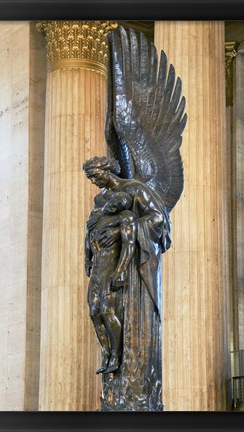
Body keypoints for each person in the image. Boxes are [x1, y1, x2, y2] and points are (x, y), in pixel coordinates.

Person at [83, 156, 171, 411]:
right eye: (90, 177)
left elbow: (158, 220)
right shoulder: (100, 201)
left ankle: (136, 389)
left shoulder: (135, 190)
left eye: (95, 174)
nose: (93, 180)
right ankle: (112, 354)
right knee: (96, 309)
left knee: (114, 314)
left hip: (133, 269)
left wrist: (124, 231)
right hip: (104, 263)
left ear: (107, 169)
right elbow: (90, 233)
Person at [85, 191, 137, 374]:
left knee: (107, 311)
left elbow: (129, 245)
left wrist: (120, 271)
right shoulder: (97, 217)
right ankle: (106, 352)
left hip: (110, 268)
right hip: (97, 269)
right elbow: (88, 237)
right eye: (115, 201)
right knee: (94, 312)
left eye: (120, 204)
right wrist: (87, 259)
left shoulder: (125, 217)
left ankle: (116, 354)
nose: (115, 205)